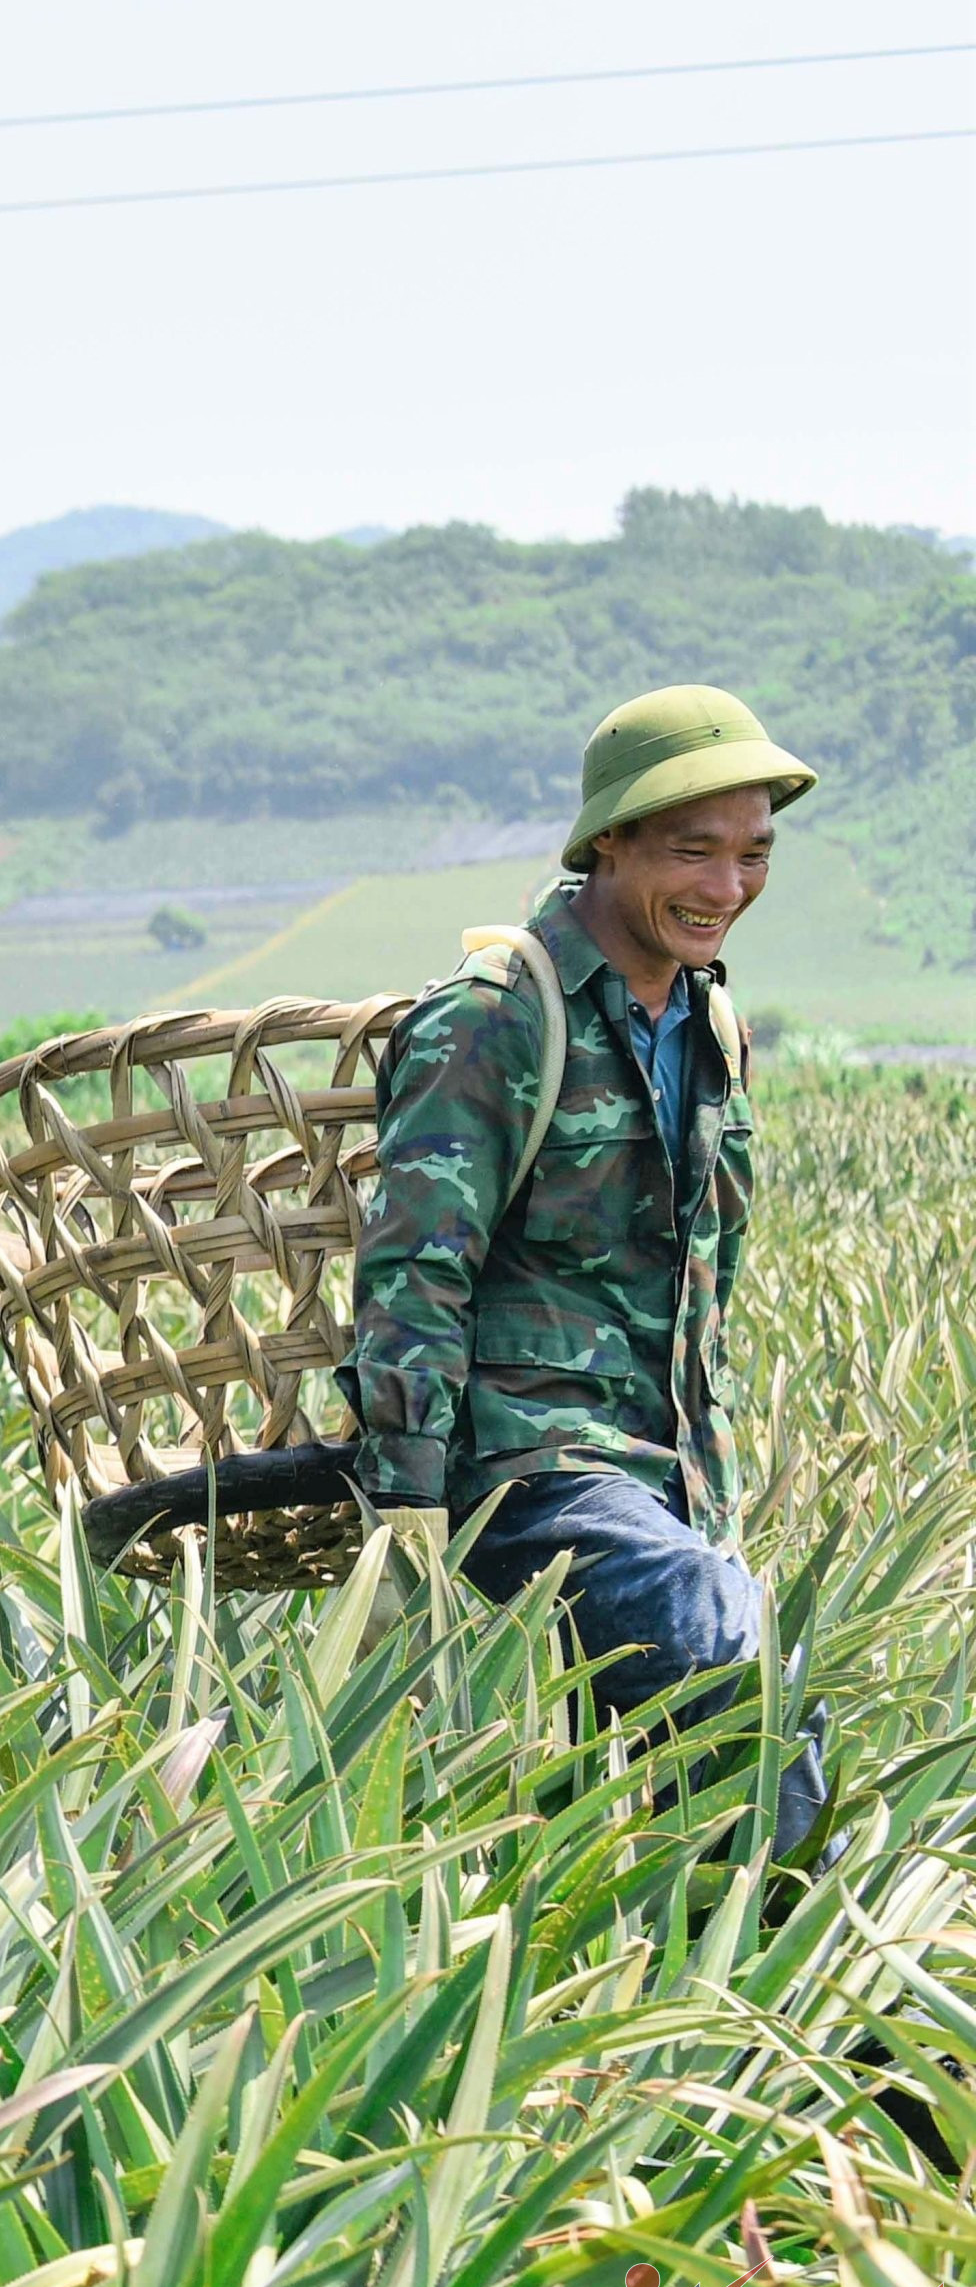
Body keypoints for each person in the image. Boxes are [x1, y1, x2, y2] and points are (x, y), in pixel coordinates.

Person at [350, 684, 826, 1861]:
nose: (725, 887)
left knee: (640, 1795)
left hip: (661, 1474)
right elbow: (414, 1263)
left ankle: (706, 2011)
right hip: (527, 1459)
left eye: (751, 854)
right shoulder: (497, 1016)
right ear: (606, 840)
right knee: (734, 1658)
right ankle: (803, 1982)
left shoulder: (708, 1026)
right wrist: (406, 1504)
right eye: (691, 851)